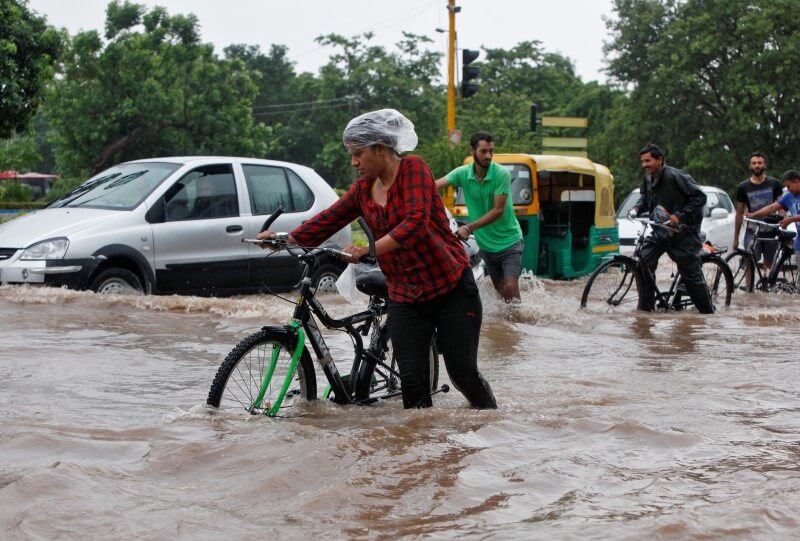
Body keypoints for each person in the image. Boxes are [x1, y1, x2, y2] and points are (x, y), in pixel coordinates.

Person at [256, 109, 497, 410]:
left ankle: (490, 426)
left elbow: (416, 222)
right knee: (412, 384)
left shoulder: (413, 169)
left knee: (463, 375)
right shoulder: (362, 191)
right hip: (406, 296)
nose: (354, 162)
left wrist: (371, 250)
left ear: (381, 149)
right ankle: (423, 454)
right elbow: (329, 219)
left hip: (450, 288)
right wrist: (285, 238)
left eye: (358, 153)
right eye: (351, 155)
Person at [435, 132, 524, 302]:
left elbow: (498, 210)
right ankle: (507, 328)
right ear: (472, 151)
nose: (488, 156)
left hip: (510, 242)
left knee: (511, 287)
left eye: (491, 151)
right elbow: (433, 186)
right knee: (501, 295)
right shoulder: (462, 173)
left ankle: (520, 326)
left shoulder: (501, 174)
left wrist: (469, 228)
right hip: (487, 246)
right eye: (483, 151)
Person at [627, 143, 714, 313]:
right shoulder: (648, 178)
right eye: (642, 162)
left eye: (648, 161)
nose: (644, 165)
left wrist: (679, 216)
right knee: (644, 262)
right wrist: (636, 208)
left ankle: (708, 315)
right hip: (661, 231)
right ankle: (646, 311)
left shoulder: (676, 176)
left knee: (691, 274)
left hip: (684, 233)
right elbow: (645, 198)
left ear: (659, 159)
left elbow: (699, 197)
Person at [733, 152, 783, 270]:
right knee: (749, 263)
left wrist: (782, 224)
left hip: (771, 230)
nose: (757, 165)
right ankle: (748, 288)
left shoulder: (774, 184)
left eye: (759, 163)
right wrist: (735, 238)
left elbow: (781, 206)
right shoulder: (743, 187)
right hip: (752, 231)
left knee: (769, 264)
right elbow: (739, 213)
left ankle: (766, 286)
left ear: (764, 165)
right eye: (754, 163)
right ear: (750, 166)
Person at [745, 169, 800, 259]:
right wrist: (754, 214)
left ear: (796, 182)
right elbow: (771, 208)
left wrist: (790, 219)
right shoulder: (788, 196)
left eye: (789, 186)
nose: (788, 190)